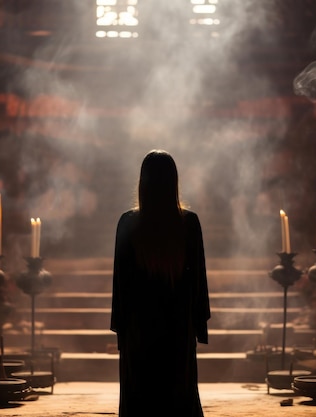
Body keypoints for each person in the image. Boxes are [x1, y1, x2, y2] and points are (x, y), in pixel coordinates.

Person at [111, 149, 211, 417]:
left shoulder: (128, 223)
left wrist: (121, 328)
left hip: (139, 329)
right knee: (177, 400)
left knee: (140, 400)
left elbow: (120, 284)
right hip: (177, 328)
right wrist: (198, 323)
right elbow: (198, 280)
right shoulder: (189, 223)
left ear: (142, 182)